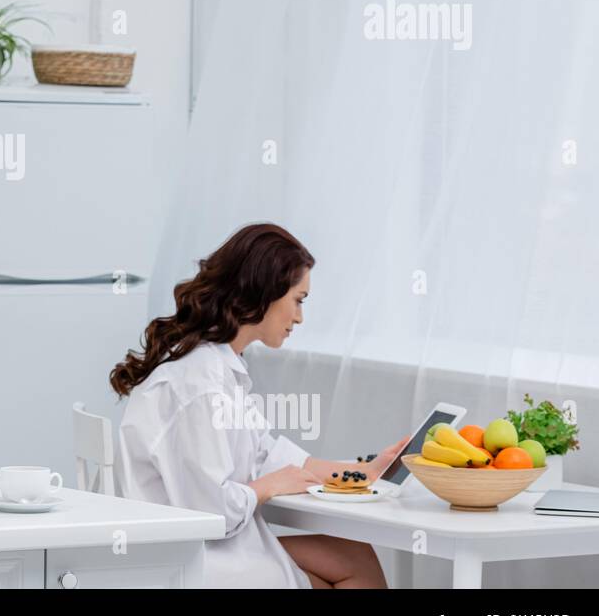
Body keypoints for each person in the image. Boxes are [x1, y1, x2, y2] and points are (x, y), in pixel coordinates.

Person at [112, 223, 409, 587]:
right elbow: (212, 513)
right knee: (348, 568)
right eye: (298, 300)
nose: (299, 317)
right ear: (265, 292)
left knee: (354, 553)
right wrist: (265, 487)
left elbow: (267, 454)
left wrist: (365, 472)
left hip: (208, 551)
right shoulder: (201, 382)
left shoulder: (217, 366)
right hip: (190, 565)